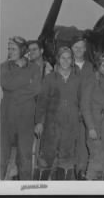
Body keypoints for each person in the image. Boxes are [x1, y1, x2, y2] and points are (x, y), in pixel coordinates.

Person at [34, 47, 81, 180]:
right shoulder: (49, 78)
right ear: (58, 59)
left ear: (72, 60)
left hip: (71, 124)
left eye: (68, 58)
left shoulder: (78, 80)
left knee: (66, 159)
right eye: (62, 57)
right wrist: (39, 122)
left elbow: (83, 101)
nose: (65, 61)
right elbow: (42, 102)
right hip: (51, 124)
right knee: (46, 157)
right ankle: (40, 187)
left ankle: (62, 187)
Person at [0, 36, 42, 180]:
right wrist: (26, 80)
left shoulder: (35, 68)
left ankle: (25, 189)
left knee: (25, 158)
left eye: (13, 49)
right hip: (6, 118)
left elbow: (36, 88)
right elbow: (7, 84)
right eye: (9, 49)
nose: (10, 52)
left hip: (26, 119)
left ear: (23, 50)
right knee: (1, 158)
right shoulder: (3, 67)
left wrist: (16, 92)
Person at [81, 52, 104, 180]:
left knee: (103, 162)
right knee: (95, 161)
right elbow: (85, 106)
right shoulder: (90, 81)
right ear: (97, 65)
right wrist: (91, 128)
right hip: (95, 127)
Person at [70, 33, 95, 180]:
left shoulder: (90, 67)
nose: (79, 50)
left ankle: (81, 173)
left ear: (85, 49)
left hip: (85, 113)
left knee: (84, 145)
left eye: (81, 47)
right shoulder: (64, 64)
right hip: (68, 112)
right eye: (76, 47)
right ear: (71, 48)